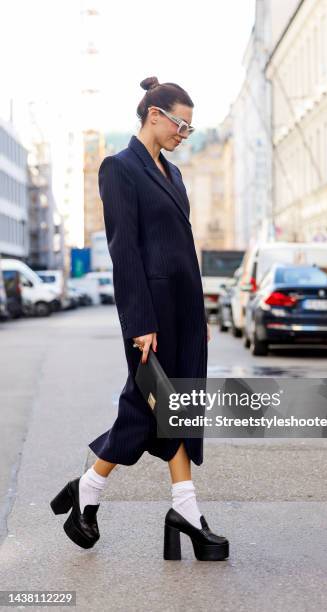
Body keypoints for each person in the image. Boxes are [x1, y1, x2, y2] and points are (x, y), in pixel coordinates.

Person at [50, 76, 229, 561]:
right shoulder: (119, 168)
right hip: (151, 312)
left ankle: (98, 492)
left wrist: (201, 310)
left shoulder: (173, 174)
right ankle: (174, 508)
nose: (183, 134)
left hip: (185, 311)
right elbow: (123, 248)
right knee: (152, 404)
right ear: (155, 114)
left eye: (189, 129)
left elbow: (181, 246)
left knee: (173, 404)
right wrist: (138, 321)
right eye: (181, 125)